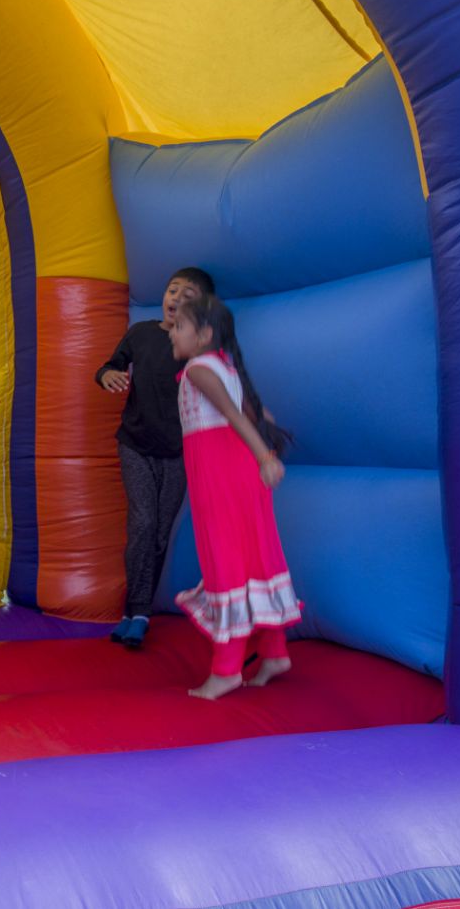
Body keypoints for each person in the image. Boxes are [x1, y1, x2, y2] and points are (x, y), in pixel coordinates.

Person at [166, 293, 300, 700]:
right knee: (252, 558)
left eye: (179, 326)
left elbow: (235, 415)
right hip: (238, 472)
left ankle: (226, 669)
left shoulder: (198, 371)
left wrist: (264, 456)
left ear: (204, 334)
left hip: (221, 473)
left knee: (224, 559)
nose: (171, 331)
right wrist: (263, 455)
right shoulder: (224, 365)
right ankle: (274, 652)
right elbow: (256, 413)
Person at [95, 267, 214, 649]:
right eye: (172, 289)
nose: (175, 298)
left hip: (178, 452)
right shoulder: (142, 333)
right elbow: (109, 365)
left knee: (160, 532)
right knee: (143, 522)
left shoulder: (196, 349)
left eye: (187, 295)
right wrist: (108, 375)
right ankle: (136, 609)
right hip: (135, 444)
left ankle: (140, 609)